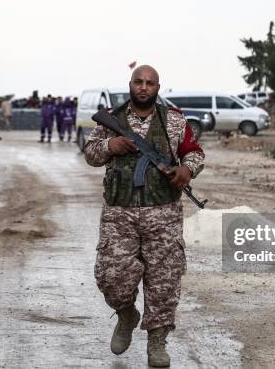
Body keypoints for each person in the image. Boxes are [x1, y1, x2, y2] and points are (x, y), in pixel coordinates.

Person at [84, 65, 204, 367]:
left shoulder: (174, 121)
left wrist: (186, 169)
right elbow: (90, 153)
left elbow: (194, 151)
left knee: (164, 280)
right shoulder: (112, 119)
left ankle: (157, 342)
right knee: (112, 276)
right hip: (119, 213)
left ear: (158, 87)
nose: (143, 87)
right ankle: (127, 314)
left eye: (150, 83)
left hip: (163, 213)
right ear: (130, 84)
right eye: (138, 81)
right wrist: (111, 145)